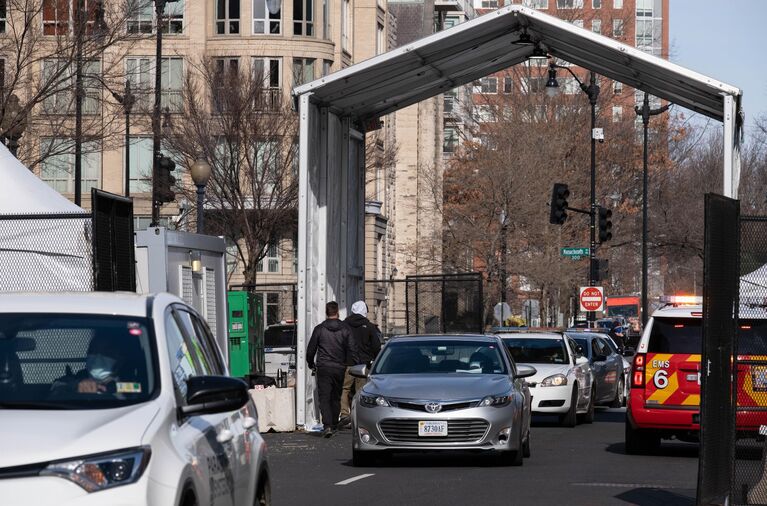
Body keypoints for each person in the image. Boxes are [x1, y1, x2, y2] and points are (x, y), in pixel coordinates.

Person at [306, 301, 358, 438]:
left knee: (324, 396)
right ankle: (334, 423)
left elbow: (311, 349)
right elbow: (352, 348)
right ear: (337, 312)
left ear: (326, 312)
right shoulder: (345, 329)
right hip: (339, 367)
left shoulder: (319, 329)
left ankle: (327, 425)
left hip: (323, 366)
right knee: (336, 396)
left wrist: (310, 363)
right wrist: (350, 363)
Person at [338, 301, 382, 427]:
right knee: (361, 391)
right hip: (363, 364)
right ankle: (358, 415)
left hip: (348, 362)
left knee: (344, 389)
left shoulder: (344, 325)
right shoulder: (369, 326)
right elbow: (376, 346)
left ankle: (344, 415)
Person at [51, 331, 125, 395]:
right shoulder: (79, 376)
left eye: (106, 352)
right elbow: (57, 386)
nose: (98, 357)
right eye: (93, 350)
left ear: (120, 359)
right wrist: (77, 385)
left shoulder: (129, 384)